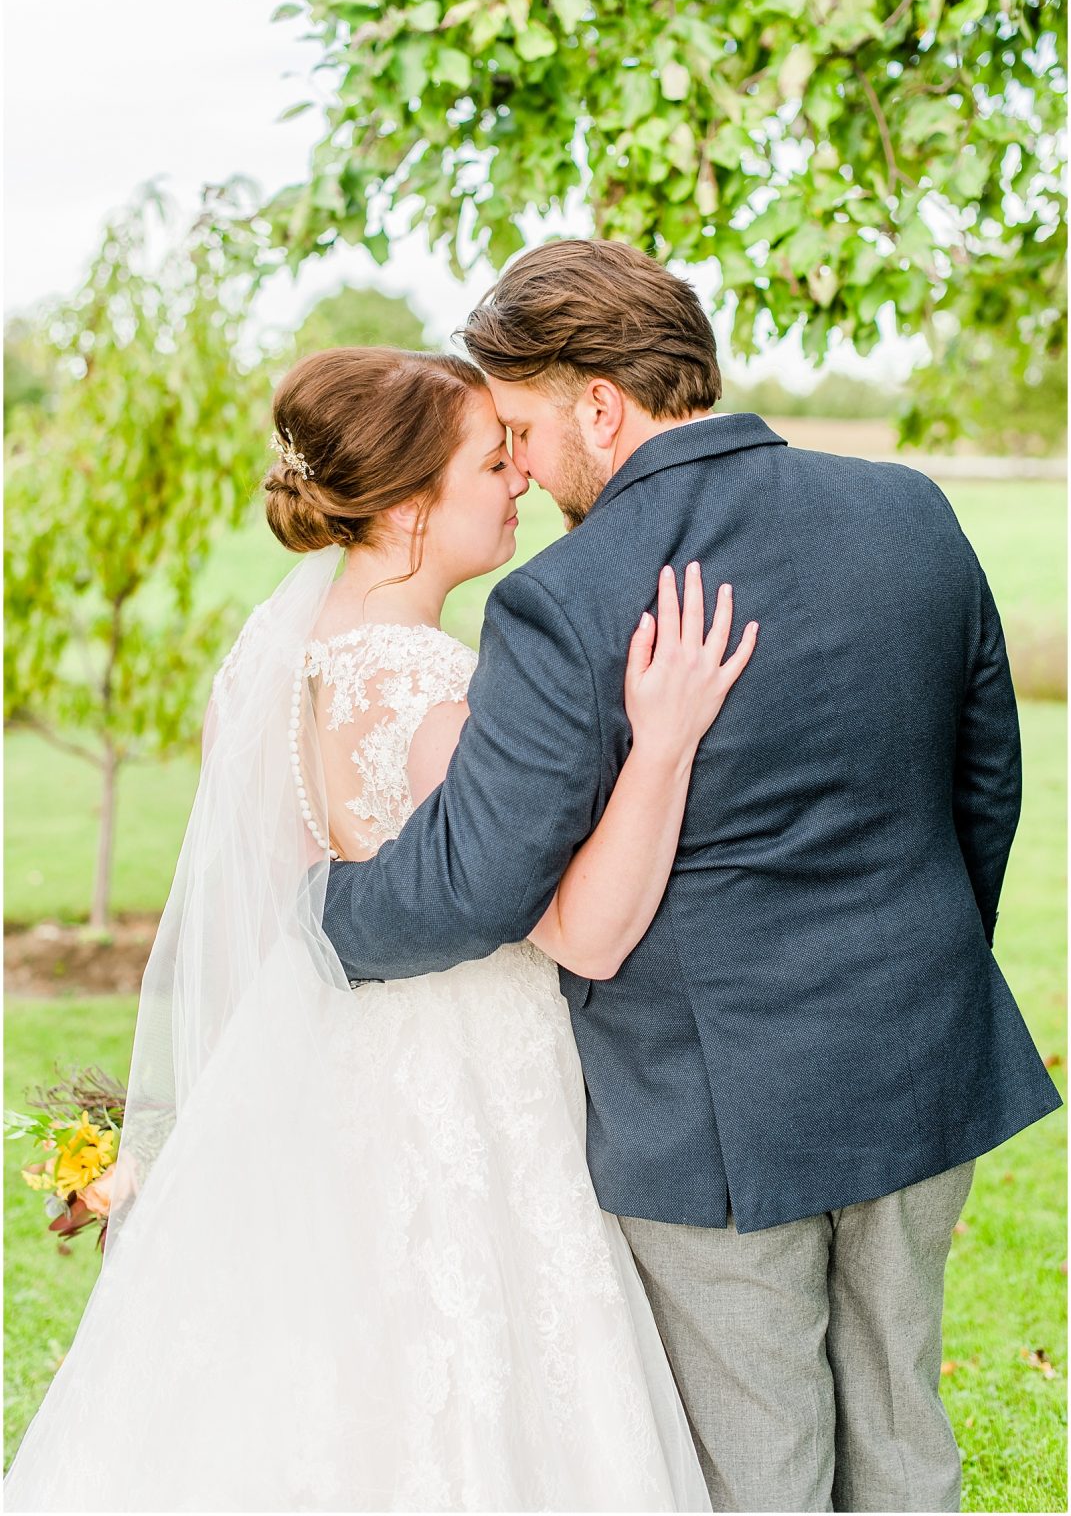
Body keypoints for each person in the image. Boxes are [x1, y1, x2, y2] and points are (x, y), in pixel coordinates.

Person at [320, 240, 1063, 1514]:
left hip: (714, 1110)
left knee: (760, 1464)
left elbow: (475, 882)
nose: (528, 468)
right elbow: (982, 783)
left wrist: (316, 916)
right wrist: (922, 963)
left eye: (525, 429)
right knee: (902, 1428)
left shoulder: (568, 596)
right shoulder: (910, 512)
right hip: (921, 1054)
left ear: (598, 406)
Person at [4, 343, 757, 1512]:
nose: (518, 477)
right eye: (488, 458)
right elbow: (581, 930)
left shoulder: (277, 665)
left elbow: (264, 910)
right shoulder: (433, 699)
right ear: (410, 506)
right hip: (463, 1087)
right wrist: (662, 742)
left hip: (316, 1074)